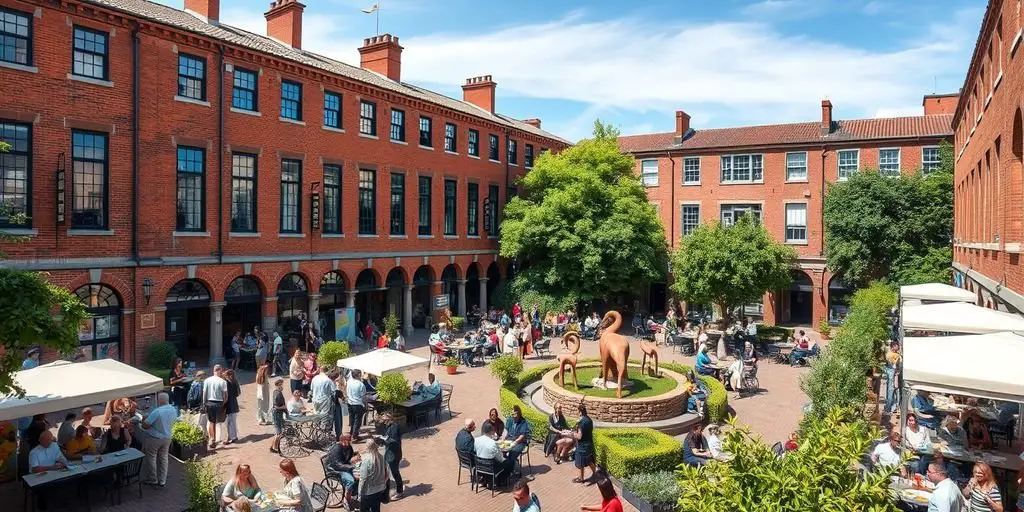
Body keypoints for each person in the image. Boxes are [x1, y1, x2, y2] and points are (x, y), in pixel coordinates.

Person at [140, 392, 176, 487]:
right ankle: (162, 480)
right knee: (164, 458)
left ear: (159, 400)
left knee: (151, 457)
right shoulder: (173, 409)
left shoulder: (157, 411)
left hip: (154, 438)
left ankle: (153, 479)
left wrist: (144, 418)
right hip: (167, 437)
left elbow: (145, 425)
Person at [29, 431, 68, 510]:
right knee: (44, 490)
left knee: (65, 482)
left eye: (50, 440)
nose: (48, 443)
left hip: (53, 474)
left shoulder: (54, 446)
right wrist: (52, 467)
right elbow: (35, 469)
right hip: (39, 477)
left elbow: (60, 456)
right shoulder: (34, 452)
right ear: (40, 440)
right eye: (46, 441)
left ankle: (60, 505)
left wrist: (65, 463)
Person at [358, 438, 393, 512]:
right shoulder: (381, 457)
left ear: (367, 448)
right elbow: (387, 473)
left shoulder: (366, 460)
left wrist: (360, 494)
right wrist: (383, 483)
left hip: (368, 491)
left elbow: (363, 479)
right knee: (376, 509)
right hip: (380, 489)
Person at [326, 434, 360, 506]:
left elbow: (349, 457)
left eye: (350, 440)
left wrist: (355, 459)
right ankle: (346, 500)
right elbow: (337, 465)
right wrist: (351, 467)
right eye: (348, 440)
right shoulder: (336, 449)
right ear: (342, 440)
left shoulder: (348, 447)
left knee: (359, 476)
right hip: (336, 469)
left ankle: (352, 494)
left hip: (344, 467)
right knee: (351, 481)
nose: (349, 442)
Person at [378, 413, 404, 500]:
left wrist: (384, 440)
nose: (384, 423)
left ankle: (400, 492)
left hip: (394, 454)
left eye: (384, 421)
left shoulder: (394, 427)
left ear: (388, 419)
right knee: (390, 472)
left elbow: (393, 441)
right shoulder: (389, 426)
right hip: (390, 453)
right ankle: (393, 490)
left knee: (395, 473)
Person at [203, 365, 229, 449]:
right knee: (219, 422)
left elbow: (204, 393)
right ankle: (218, 438)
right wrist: (223, 403)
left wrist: (204, 403)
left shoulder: (207, 380)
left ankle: (212, 439)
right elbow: (225, 395)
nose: (221, 373)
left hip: (209, 402)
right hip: (219, 402)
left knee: (211, 422)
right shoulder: (222, 381)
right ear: (219, 370)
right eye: (221, 371)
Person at [573, 403, 597, 484]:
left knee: (581, 462)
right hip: (589, 443)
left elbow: (579, 436)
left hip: (582, 445)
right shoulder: (589, 420)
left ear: (580, 412)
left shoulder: (581, 423)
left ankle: (581, 478)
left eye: (577, 411)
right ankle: (596, 473)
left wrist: (573, 434)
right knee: (589, 461)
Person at [346, 369, 367, 441]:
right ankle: (355, 436)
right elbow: (363, 397)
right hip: (358, 404)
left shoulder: (349, 383)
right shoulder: (361, 384)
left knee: (352, 419)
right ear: (358, 375)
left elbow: (347, 393)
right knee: (357, 421)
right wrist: (365, 405)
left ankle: (352, 433)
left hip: (350, 403)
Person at [270, 379, 287, 454]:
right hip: (277, 413)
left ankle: (272, 446)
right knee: (279, 432)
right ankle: (275, 447)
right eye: (282, 384)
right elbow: (277, 406)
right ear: (279, 384)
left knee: (278, 432)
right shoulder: (278, 393)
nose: (282, 386)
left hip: (276, 413)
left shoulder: (275, 392)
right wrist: (283, 407)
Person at [884, 341, 902, 413]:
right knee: (891, 390)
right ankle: (889, 407)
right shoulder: (891, 355)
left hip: (892, 373)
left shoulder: (891, 354)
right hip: (892, 373)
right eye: (897, 346)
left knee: (892, 390)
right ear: (894, 346)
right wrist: (898, 358)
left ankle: (892, 407)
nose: (898, 347)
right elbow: (894, 364)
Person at [225, 369, 241, 444]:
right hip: (234, 403)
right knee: (233, 421)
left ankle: (232, 437)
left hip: (229, 404)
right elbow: (238, 393)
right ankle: (233, 436)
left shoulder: (227, 383)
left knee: (230, 422)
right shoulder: (235, 381)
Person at [256, 361, 272, 426]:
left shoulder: (260, 376)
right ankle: (263, 419)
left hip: (260, 394)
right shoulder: (262, 377)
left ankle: (260, 418)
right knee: (264, 406)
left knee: (260, 406)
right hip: (263, 394)